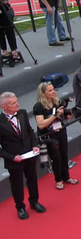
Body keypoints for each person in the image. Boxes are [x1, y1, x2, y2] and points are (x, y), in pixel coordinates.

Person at [0, 92, 45, 220]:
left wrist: (35, 145)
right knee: (17, 184)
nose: (17, 104)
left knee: (32, 179)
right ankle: (20, 207)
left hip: (29, 154)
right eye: (13, 103)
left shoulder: (22, 113)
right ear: (4, 107)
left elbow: (30, 131)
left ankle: (34, 201)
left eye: (16, 100)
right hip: (14, 159)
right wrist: (12, 157)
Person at [33, 82, 78, 190]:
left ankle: (66, 177)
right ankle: (58, 180)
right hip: (49, 136)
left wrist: (67, 114)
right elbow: (41, 124)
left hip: (60, 131)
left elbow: (62, 116)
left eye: (53, 89)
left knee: (64, 155)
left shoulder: (56, 101)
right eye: (50, 90)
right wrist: (54, 116)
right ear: (43, 93)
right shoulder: (39, 106)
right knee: (56, 158)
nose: (53, 92)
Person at [0, 0, 20, 64]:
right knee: (0, 33)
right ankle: (4, 50)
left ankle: (13, 50)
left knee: (10, 32)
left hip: (6, 12)